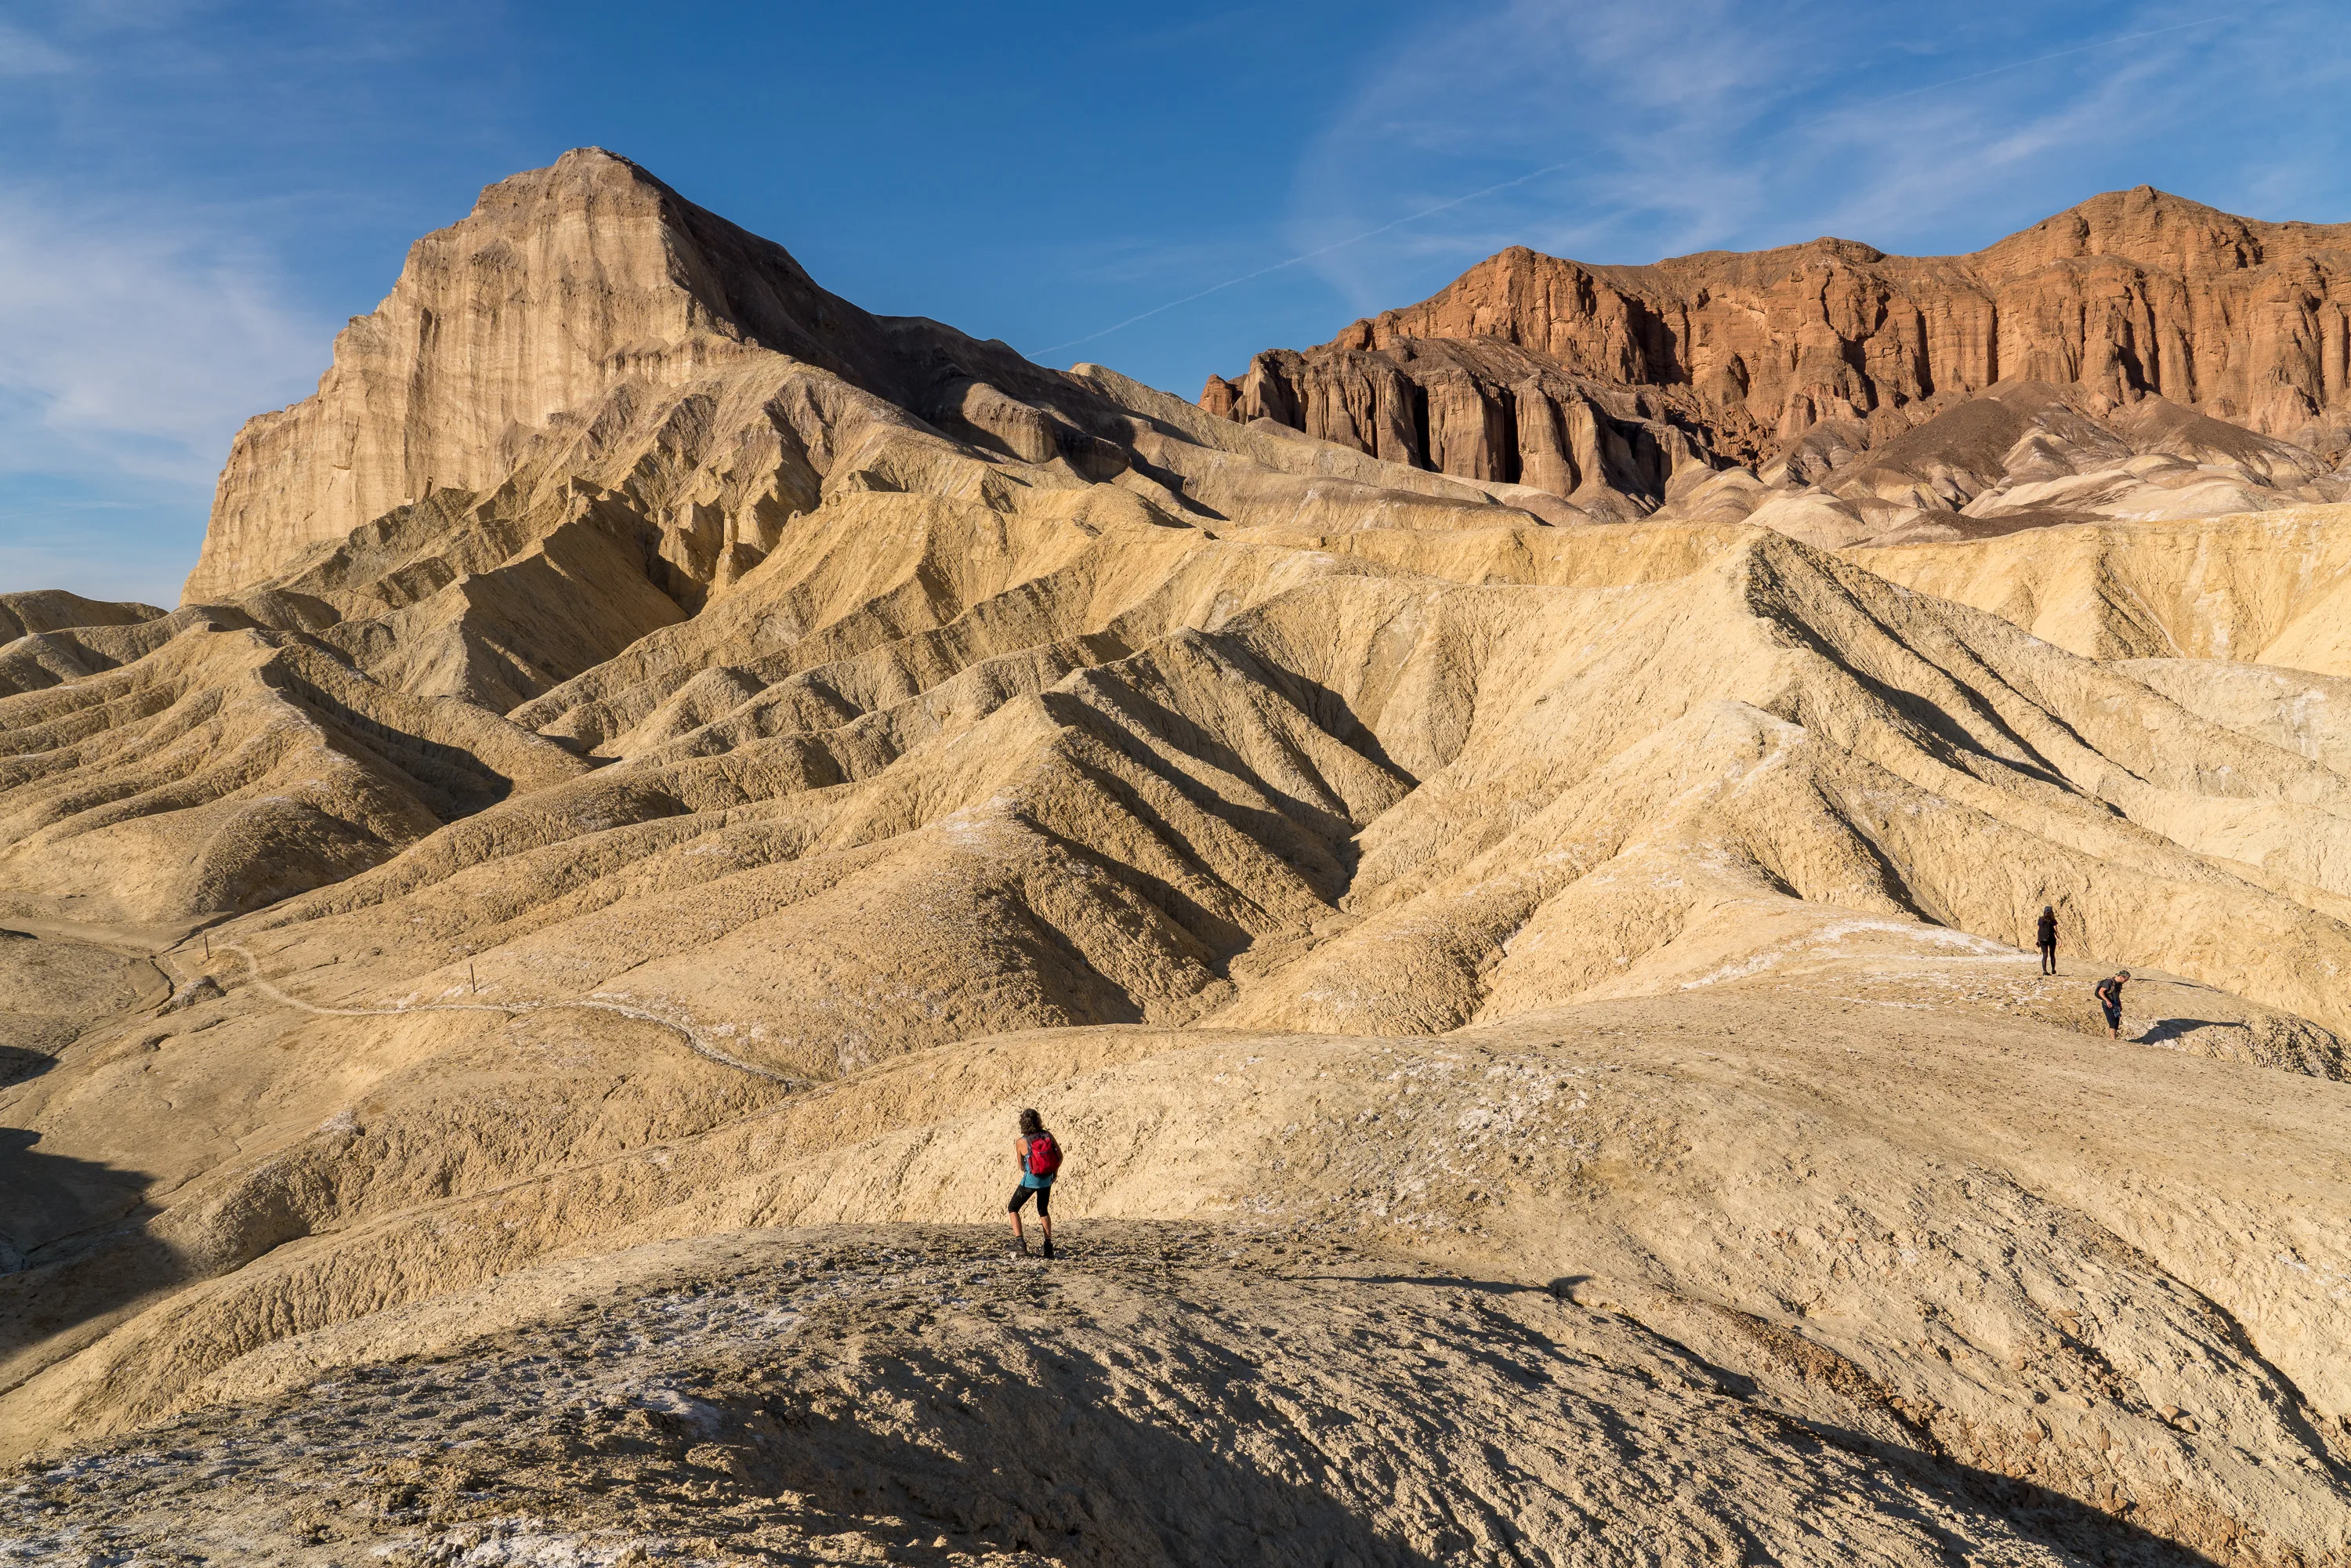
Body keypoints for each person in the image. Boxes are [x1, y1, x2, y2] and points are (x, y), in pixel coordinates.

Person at [1006, 1107, 1061, 1258]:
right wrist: (1054, 1172)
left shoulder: (1021, 1142)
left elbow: (1021, 1166)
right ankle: (1048, 1247)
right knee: (1043, 1210)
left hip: (1031, 1180)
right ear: (1038, 1121)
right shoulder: (1048, 1135)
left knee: (1013, 1207)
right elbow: (1059, 1156)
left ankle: (1020, 1244)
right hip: (1047, 1179)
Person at [2094, 969, 2130, 1040]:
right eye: (2126, 979)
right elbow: (2101, 992)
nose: (2126, 981)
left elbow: (2117, 995)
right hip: (2107, 1005)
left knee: (2116, 1022)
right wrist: (2107, 1001)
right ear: (2121, 977)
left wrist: (2120, 1005)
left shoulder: (2120, 984)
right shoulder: (2109, 982)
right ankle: (2113, 1040)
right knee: (2112, 1022)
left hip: (2115, 1006)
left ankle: (2114, 1038)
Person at [2036, 905, 2059, 975]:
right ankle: (2053, 970)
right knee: (2052, 954)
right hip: (2051, 939)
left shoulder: (2040, 920)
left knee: (2045, 955)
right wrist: (2059, 939)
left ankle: (2044, 971)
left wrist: (2037, 940)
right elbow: (2056, 931)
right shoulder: (2053, 920)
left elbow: (2038, 930)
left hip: (2042, 939)